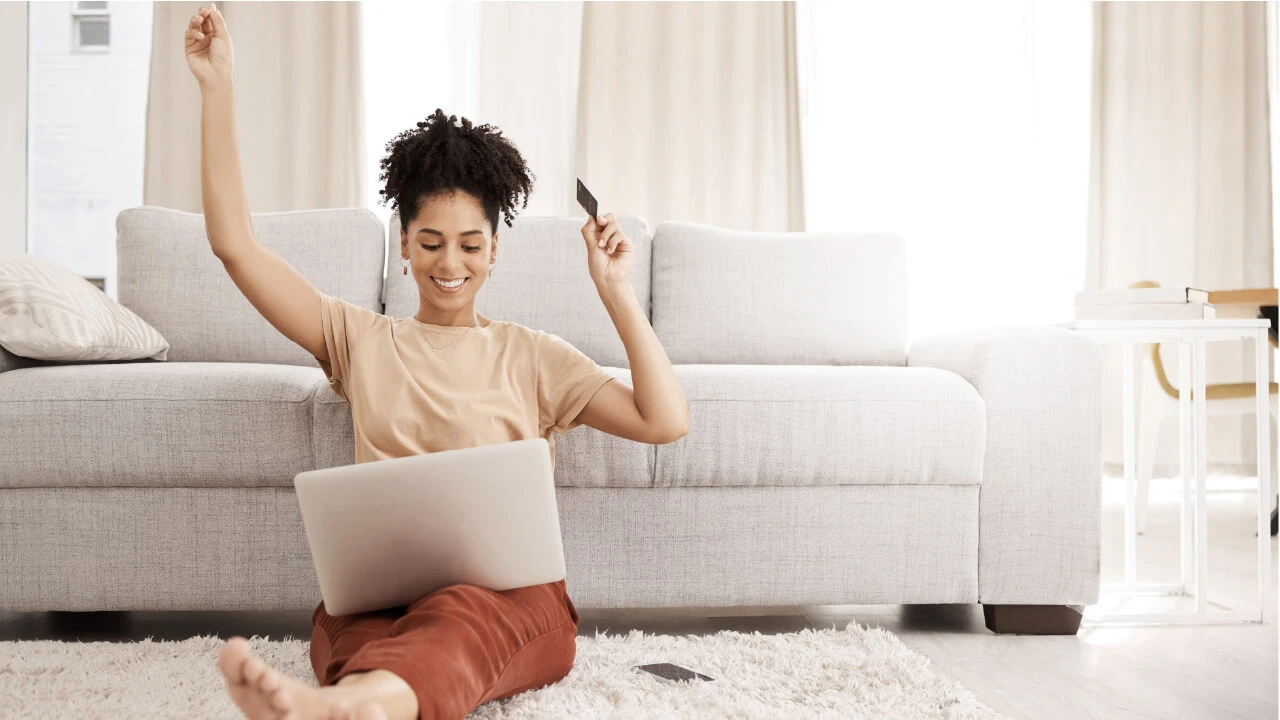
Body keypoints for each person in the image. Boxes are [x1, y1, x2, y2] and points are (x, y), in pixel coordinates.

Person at [183, 5, 689, 719]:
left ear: (494, 249)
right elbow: (235, 245)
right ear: (403, 245)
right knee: (347, 631)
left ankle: (348, 706)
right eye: (430, 242)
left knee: (457, 617)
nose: (449, 264)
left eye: (470, 245)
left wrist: (617, 294)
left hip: (513, 604)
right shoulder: (357, 338)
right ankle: (360, 703)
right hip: (381, 597)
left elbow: (663, 421)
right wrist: (218, 90)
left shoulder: (534, 355)